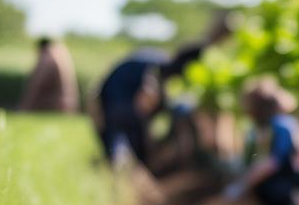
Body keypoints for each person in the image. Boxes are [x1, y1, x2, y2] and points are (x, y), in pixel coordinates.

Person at [92, 14, 229, 165]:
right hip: (117, 102)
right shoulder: (155, 72)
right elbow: (145, 102)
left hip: (113, 100)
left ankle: (122, 161)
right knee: (133, 140)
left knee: (126, 138)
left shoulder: (158, 62)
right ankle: (126, 162)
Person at [224, 79, 299, 205]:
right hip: (283, 180)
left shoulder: (282, 125)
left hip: (289, 183)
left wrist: (242, 185)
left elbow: (273, 163)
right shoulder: (266, 127)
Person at [19, 37, 79, 113]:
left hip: (56, 107)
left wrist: (24, 107)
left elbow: (37, 85)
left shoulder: (47, 57)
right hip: (69, 106)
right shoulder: (61, 53)